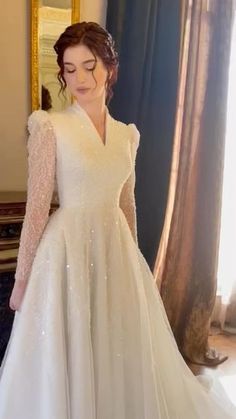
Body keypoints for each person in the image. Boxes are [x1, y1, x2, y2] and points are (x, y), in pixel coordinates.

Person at [0, 21, 235, 419]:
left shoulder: (128, 135)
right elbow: (37, 210)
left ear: (109, 67)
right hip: (67, 251)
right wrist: (22, 279)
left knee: (115, 346)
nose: (79, 78)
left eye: (88, 65)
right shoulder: (49, 127)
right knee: (71, 347)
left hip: (116, 251)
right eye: (69, 69)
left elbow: (128, 204)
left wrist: (136, 263)